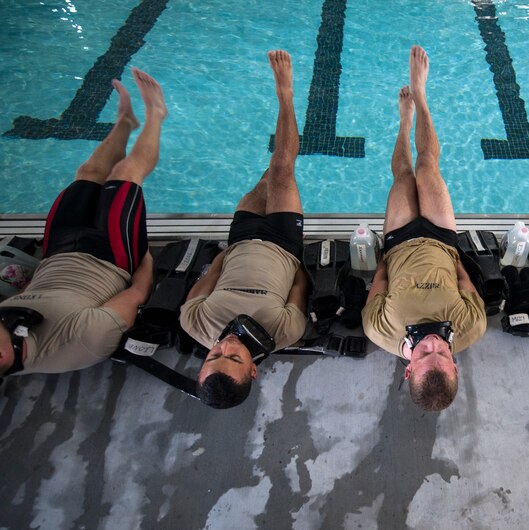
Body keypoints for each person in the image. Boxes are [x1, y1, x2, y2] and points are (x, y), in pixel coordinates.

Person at [0, 68, 163, 376]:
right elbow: (138, 293)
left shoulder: (8, 329)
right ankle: (156, 113)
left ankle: (126, 122)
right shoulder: (81, 341)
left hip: (58, 253)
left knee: (88, 173)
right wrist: (143, 253)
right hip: (111, 258)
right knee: (126, 175)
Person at [179, 51, 309, 409]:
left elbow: (210, 275)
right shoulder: (285, 333)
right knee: (282, 167)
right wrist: (289, 252)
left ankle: (289, 133)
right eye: (234, 358)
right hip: (283, 242)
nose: (227, 347)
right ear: (253, 370)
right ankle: (286, 93)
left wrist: (234, 250)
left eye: (214, 355)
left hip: (241, 236)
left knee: (270, 175)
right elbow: (299, 283)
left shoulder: (195, 324)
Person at [362, 46, 487, 412]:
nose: (432, 341)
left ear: (408, 368)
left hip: (399, 242)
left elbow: (379, 284)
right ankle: (421, 94)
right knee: (428, 166)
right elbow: (465, 284)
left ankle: (404, 120)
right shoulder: (472, 328)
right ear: (455, 366)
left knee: (403, 175)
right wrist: (452, 253)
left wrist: (388, 250)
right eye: (441, 351)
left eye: (424, 351)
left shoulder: (379, 331)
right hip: (441, 238)